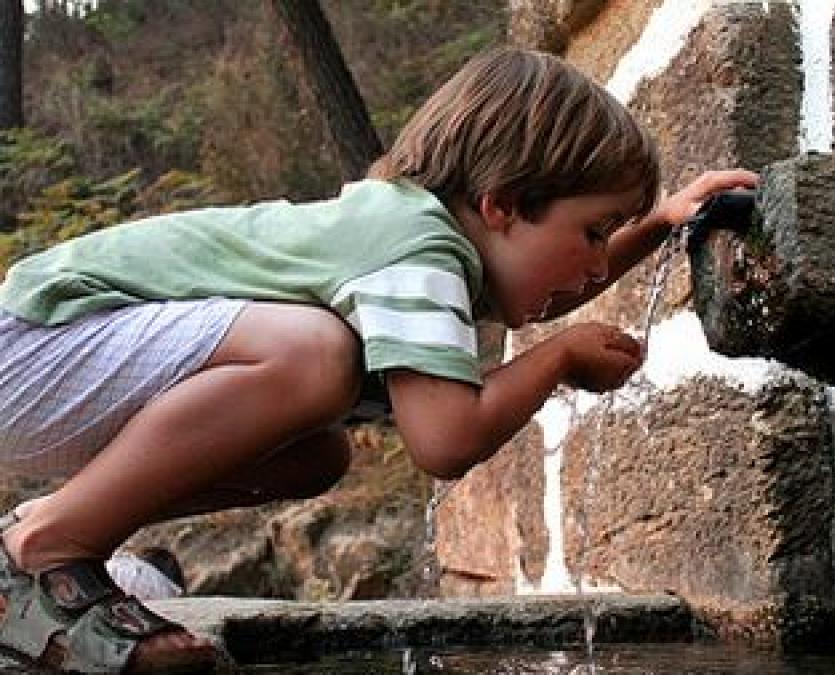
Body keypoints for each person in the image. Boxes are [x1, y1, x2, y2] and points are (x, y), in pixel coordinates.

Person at [0, 47, 757, 673]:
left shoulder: (436, 242)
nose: (596, 265)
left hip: (55, 367)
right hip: (33, 345)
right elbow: (445, 439)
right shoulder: (413, 245)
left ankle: (47, 532)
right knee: (316, 357)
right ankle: (50, 546)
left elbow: (545, 289)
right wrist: (556, 359)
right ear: (501, 204)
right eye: (594, 232)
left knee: (316, 455)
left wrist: (660, 223)